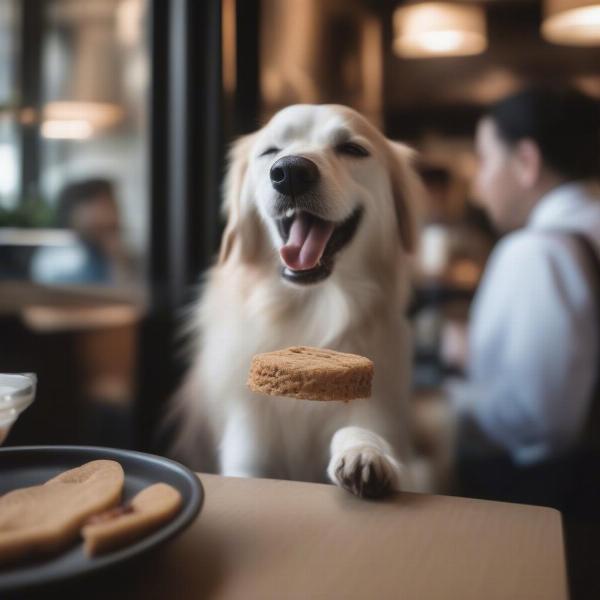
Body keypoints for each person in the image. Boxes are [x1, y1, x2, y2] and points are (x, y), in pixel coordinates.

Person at [445, 85, 600, 506]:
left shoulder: (537, 250)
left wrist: (446, 402)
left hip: (553, 504)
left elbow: (536, 423)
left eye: (484, 159)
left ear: (526, 162)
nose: (478, 183)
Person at [31, 179, 135, 286]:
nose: (113, 214)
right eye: (105, 205)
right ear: (76, 212)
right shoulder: (62, 258)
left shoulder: (106, 250)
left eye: (113, 205)